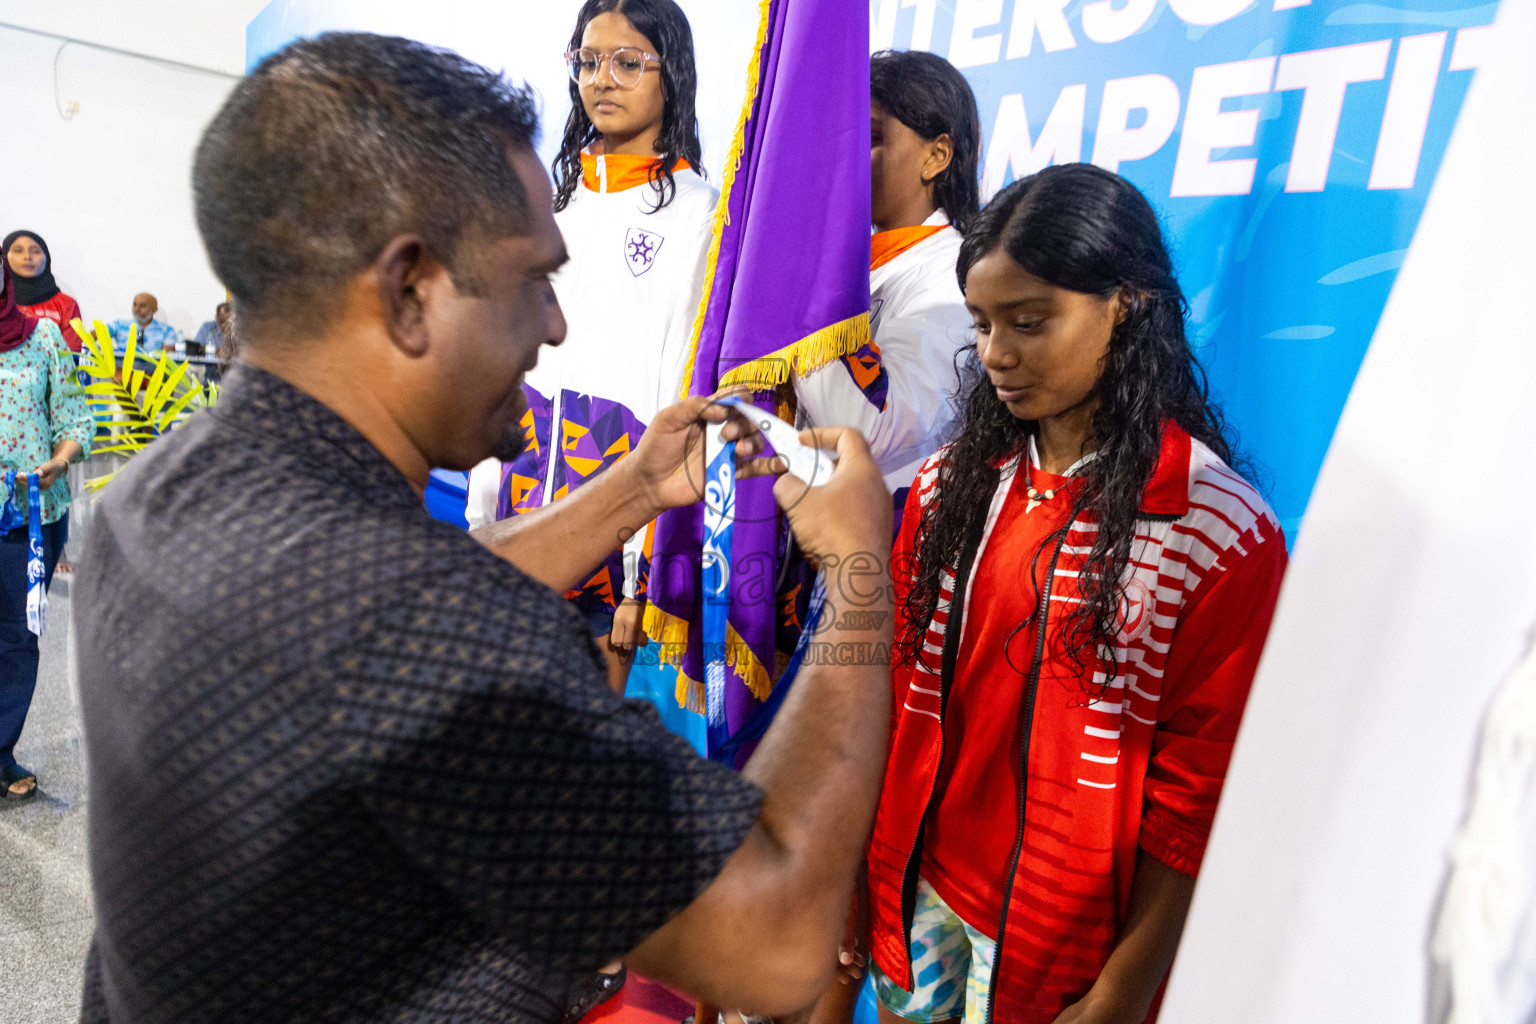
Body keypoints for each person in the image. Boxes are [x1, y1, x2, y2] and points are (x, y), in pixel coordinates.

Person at [75, 32, 894, 1024]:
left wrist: (632, 489)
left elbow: (426, 579)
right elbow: (776, 941)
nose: (554, 330)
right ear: (409, 288)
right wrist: (857, 572)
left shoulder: (160, 491)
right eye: (535, 282)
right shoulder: (420, 627)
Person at [860, 164, 1289, 1024]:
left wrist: (1124, 991)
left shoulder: (1216, 530)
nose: (996, 355)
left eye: (1030, 322)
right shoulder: (951, 487)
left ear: (1126, 302)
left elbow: (1194, 801)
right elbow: (894, 705)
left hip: (1069, 946)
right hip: (921, 902)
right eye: (981, 325)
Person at [467, 0, 716, 698]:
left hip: (618, 522)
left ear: (673, 75)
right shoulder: (549, 206)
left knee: (585, 746)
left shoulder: (703, 216)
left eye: (628, 62)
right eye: (587, 60)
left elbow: (681, 386)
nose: (602, 79)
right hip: (516, 507)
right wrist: (483, 512)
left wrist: (643, 570)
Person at [793, 50, 980, 512]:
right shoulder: (867, 263)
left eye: (872, 138)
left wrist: (802, 283)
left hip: (890, 543)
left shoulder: (951, 274)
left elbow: (872, 427)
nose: (849, 157)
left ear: (936, 156)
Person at [0, 261, 93, 800]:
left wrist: (59, 460)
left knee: (17, 635)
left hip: (31, 512)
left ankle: (0, 752)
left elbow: (76, 419)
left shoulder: (43, 337)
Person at [5, 230, 86, 354]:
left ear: (47, 258)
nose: (27, 257)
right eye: (18, 250)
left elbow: (71, 356)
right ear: (4, 256)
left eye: (35, 251)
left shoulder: (66, 305)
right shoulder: (2, 302)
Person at [108, 292, 182, 354]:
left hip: (153, 371)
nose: (137, 309)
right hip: (121, 370)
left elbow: (167, 357)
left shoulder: (166, 331)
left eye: (142, 306)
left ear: (154, 309)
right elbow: (99, 332)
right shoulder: (119, 325)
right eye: (135, 304)